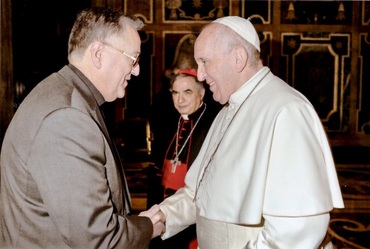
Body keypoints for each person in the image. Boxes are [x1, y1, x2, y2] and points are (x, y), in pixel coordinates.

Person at [141, 16, 344, 248]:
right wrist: (163, 216)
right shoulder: (229, 108)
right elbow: (200, 194)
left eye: (205, 62)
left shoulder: (286, 110)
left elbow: (297, 231)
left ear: (238, 58)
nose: (200, 75)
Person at [0, 7, 164, 248]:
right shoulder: (66, 117)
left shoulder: (64, 93)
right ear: (98, 54)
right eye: (133, 59)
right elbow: (97, 238)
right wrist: (146, 227)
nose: (137, 70)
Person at [149, 68, 220, 249]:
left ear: (201, 93)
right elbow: (156, 175)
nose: (180, 100)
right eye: (175, 93)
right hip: (165, 212)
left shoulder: (212, 125)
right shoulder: (168, 124)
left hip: (193, 216)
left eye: (187, 92)